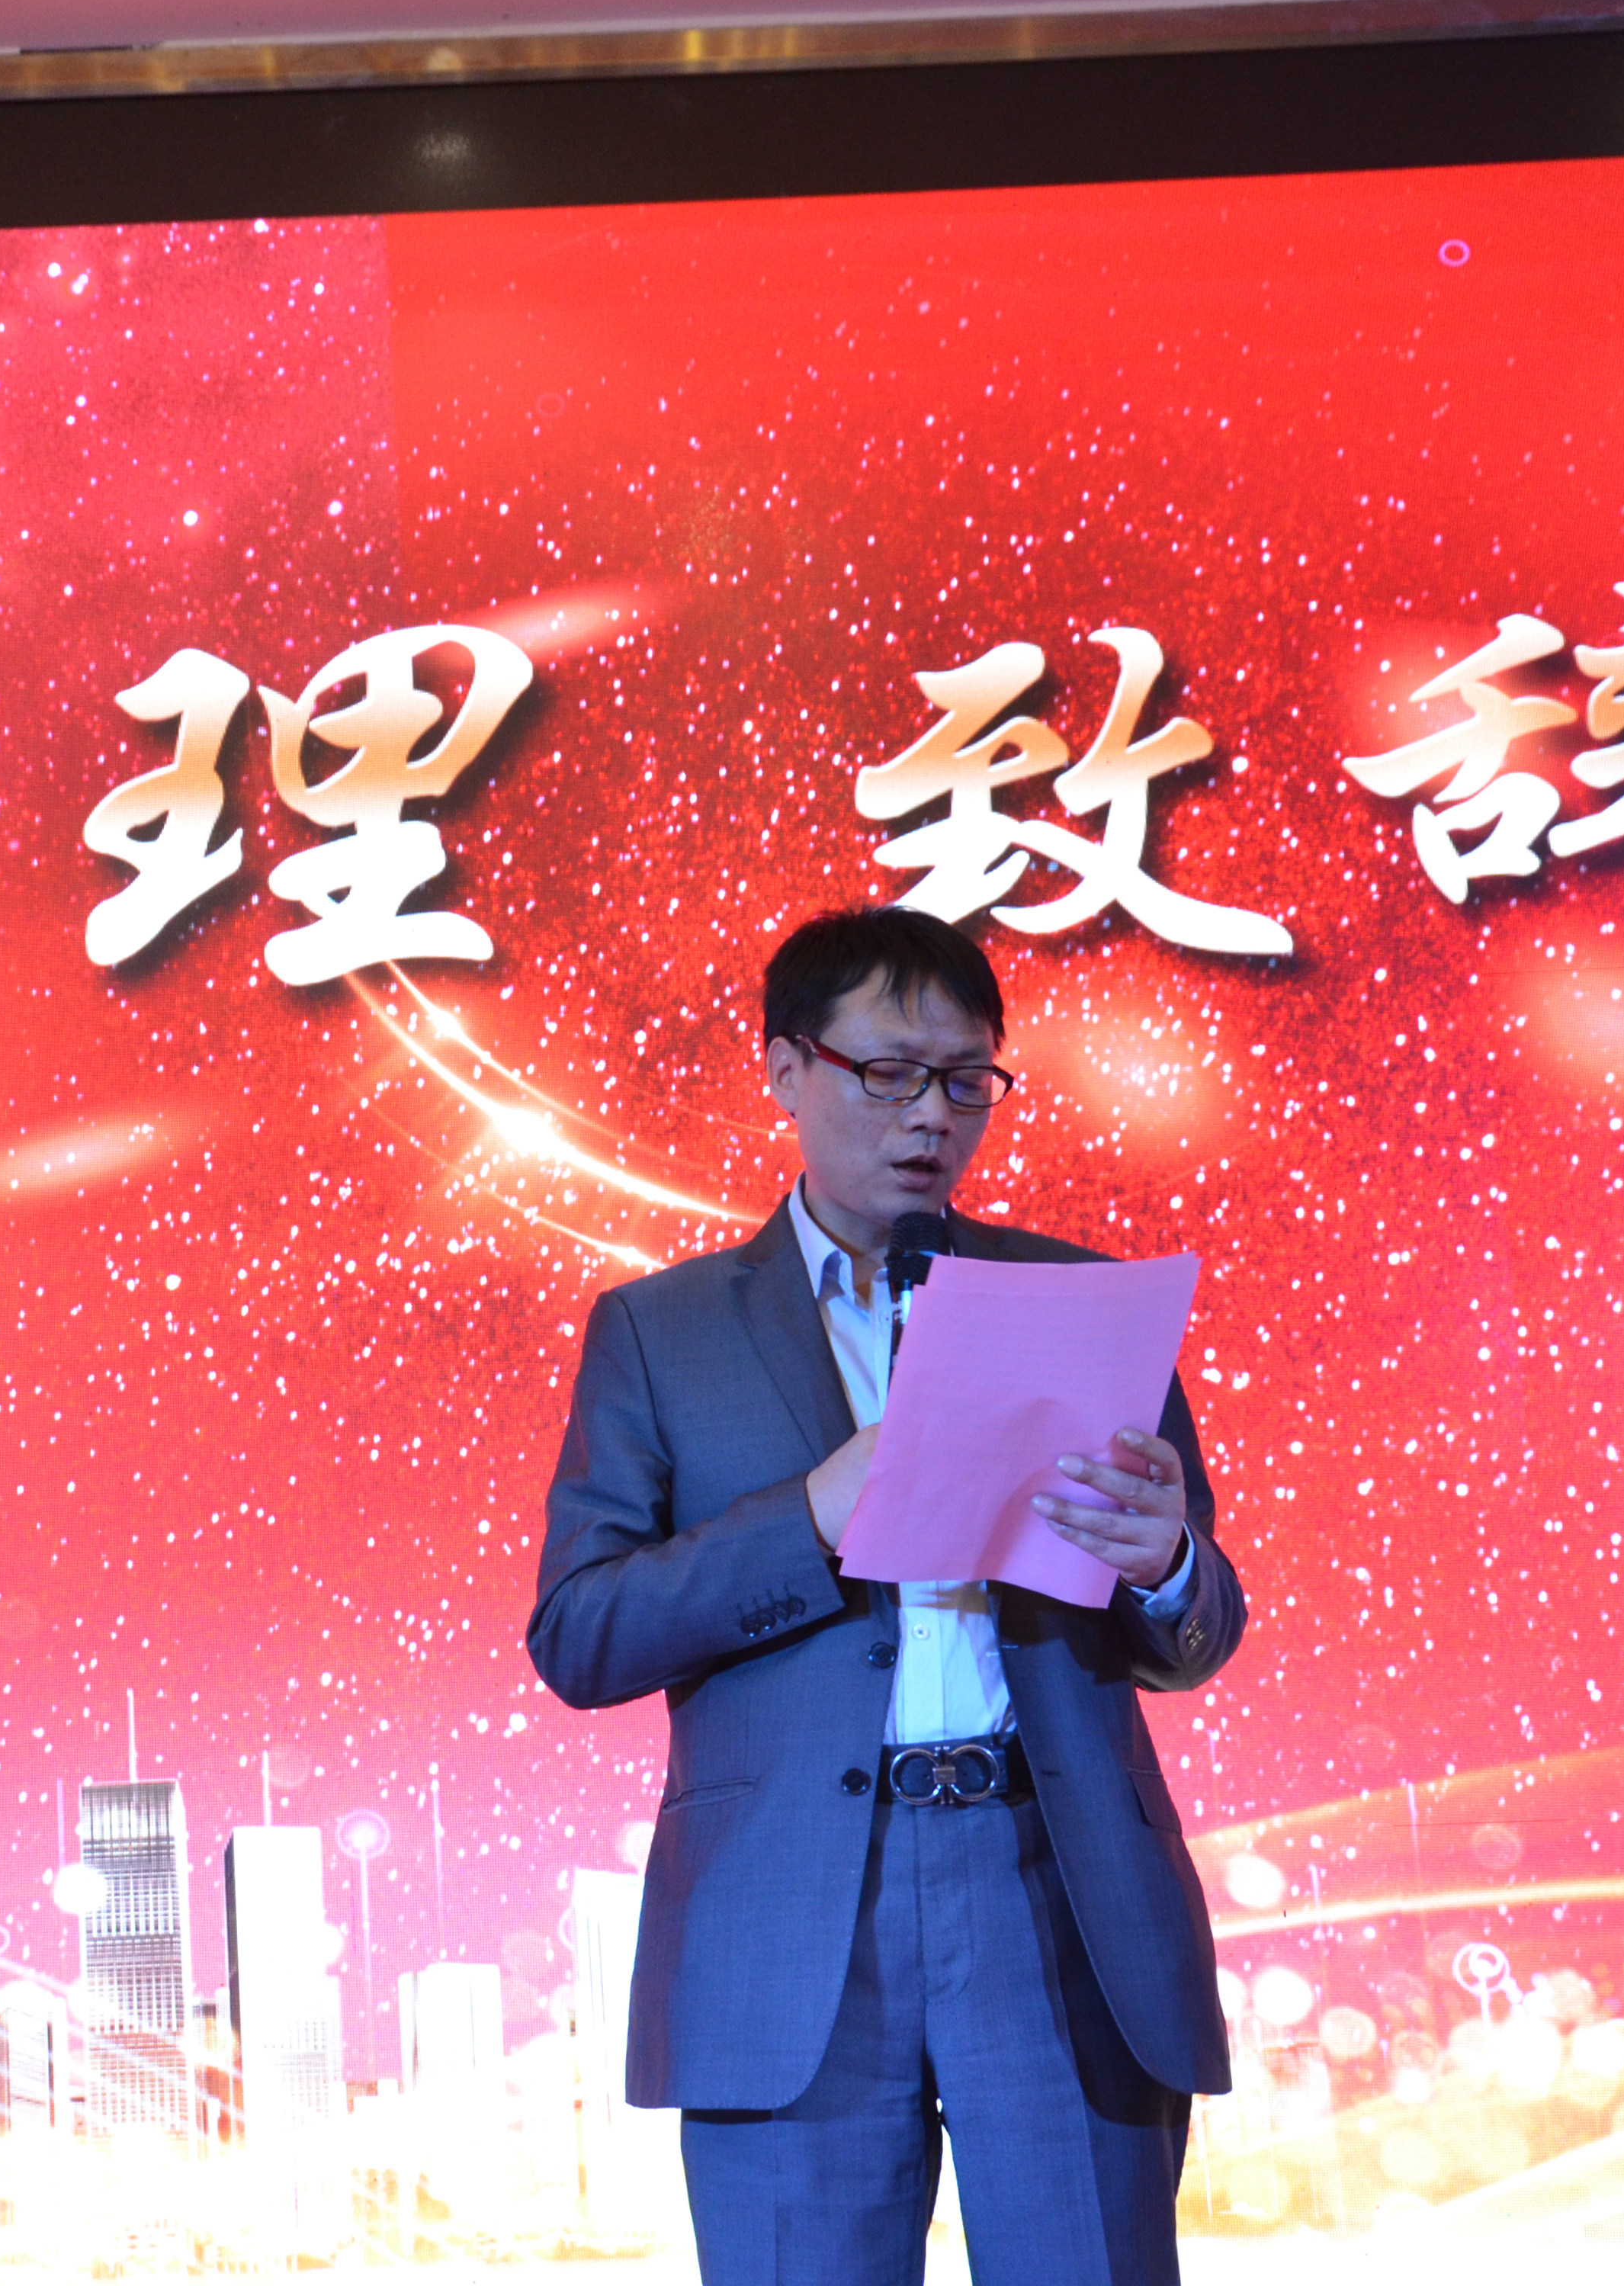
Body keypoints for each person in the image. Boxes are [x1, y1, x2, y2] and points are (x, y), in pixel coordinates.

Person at [527, 905, 1241, 2285]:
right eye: (891, 1074)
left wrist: (1165, 1565)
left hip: (1055, 1888)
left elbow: (1196, 1636)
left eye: (968, 1082)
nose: (932, 1117)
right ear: (787, 1069)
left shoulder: (1082, 1305)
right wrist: (809, 1517)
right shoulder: (663, 1332)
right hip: (792, 1907)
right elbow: (581, 1633)